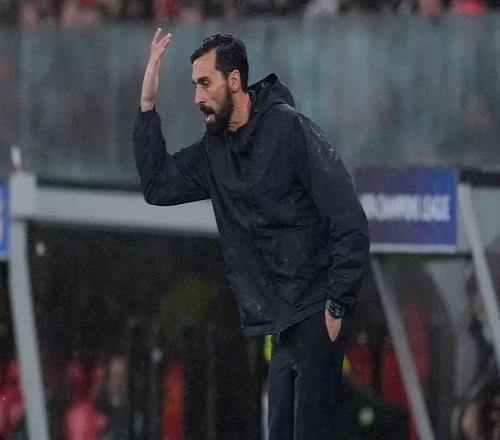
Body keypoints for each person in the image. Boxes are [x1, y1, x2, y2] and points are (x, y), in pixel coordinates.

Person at [133, 31, 370, 440]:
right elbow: (158, 185)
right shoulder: (213, 152)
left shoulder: (290, 129)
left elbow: (349, 220)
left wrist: (337, 304)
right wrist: (147, 105)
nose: (197, 97)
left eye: (204, 83)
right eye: (193, 85)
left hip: (317, 310)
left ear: (234, 81)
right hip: (281, 324)